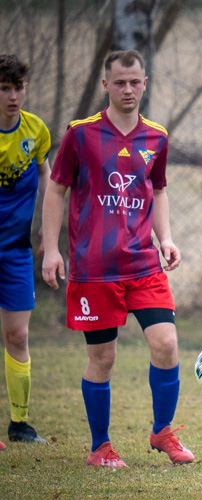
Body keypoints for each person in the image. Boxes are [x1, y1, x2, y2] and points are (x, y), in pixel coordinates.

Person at [41, 50, 193, 468]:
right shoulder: (81, 134)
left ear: (146, 83)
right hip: (94, 268)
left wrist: (166, 239)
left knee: (166, 344)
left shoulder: (156, 137)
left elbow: (158, 191)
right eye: (120, 82)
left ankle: (162, 432)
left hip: (144, 263)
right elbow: (56, 189)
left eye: (135, 81)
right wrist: (51, 248)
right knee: (103, 358)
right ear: (105, 85)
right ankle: (100, 448)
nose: (128, 89)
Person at [0, 54, 51, 449]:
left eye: (18, 87)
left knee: (17, 334)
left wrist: (48, 233)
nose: (12, 96)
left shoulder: (36, 130)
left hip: (16, 250)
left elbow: (47, 174)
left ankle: (20, 424)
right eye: (4, 88)